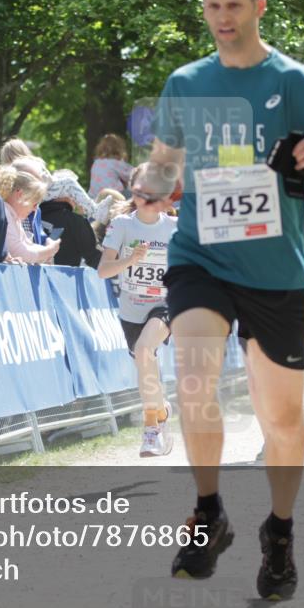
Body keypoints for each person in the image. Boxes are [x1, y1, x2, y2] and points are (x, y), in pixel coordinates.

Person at [142, 0, 304, 600]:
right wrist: (150, 181)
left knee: (282, 420)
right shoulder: (185, 82)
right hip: (200, 258)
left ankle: (280, 532)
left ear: (259, 6)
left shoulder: (292, 80)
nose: (222, 18)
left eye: (234, 5)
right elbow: (164, 162)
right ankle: (210, 511)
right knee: (193, 374)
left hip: (275, 270)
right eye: (212, 6)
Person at [97, 163, 178, 456]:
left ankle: (151, 429)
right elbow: (103, 271)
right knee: (145, 365)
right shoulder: (121, 225)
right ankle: (160, 412)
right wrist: (129, 260)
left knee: (145, 351)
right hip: (132, 309)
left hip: (166, 304)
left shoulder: (174, 228)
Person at [0, 166, 61, 265]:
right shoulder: (4, 213)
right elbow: (20, 252)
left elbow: (29, 245)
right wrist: (48, 251)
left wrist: (48, 252)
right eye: (34, 203)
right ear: (20, 195)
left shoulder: (14, 217)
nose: (35, 209)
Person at [40, 177, 103, 268]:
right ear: (64, 195)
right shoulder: (74, 221)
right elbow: (94, 257)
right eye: (73, 195)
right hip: (65, 279)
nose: (74, 199)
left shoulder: (29, 217)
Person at [89, 133, 133, 199]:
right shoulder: (116, 163)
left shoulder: (96, 162)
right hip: (112, 197)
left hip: (94, 197)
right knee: (135, 194)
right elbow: (134, 174)